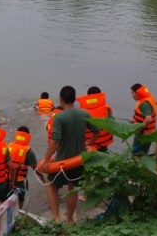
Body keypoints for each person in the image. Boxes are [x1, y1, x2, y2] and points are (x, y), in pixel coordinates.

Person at [41, 85, 100, 223]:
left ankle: (56, 218)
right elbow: (97, 131)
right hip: (79, 159)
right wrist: (88, 144)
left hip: (62, 160)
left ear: (61, 99)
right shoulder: (84, 114)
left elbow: (55, 141)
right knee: (72, 188)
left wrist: (46, 161)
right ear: (74, 99)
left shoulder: (59, 117)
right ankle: (69, 219)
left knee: (50, 184)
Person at [8, 126, 44, 209]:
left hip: (6, 179)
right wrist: (41, 176)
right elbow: (35, 168)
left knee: (7, 200)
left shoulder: (9, 146)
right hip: (19, 180)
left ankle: (8, 215)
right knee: (21, 199)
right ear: (28, 136)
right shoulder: (28, 151)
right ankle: (19, 213)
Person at [77, 86, 114, 152]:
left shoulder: (81, 111)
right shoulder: (106, 109)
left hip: (88, 144)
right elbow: (113, 123)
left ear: (88, 96)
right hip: (103, 143)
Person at [130, 83, 157, 155]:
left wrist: (139, 129)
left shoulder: (145, 104)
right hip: (143, 132)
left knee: (138, 154)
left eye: (132, 93)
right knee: (135, 153)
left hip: (143, 133)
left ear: (137, 93)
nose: (132, 96)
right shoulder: (146, 100)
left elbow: (148, 119)